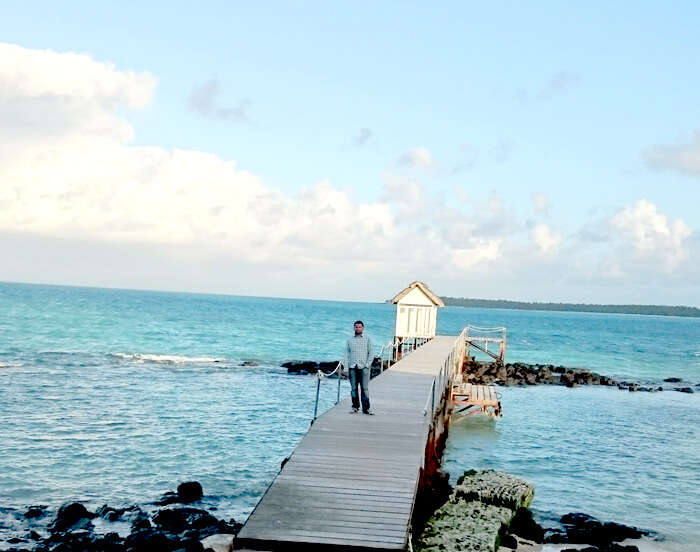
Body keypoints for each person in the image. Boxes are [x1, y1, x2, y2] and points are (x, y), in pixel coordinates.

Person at [344, 320, 374, 415]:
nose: (358, 328)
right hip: (352, 367)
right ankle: (355, 407)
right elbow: (346, 354)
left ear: (363, 328)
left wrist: (367, 365)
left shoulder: (367, 339)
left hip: (364, 368)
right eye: (356, 327)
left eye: (360, 327)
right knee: (353, 388)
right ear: (354, 328)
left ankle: (366, 409)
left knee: (364, 388)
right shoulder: (349, 340)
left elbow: (371, 353)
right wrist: (345, 368)